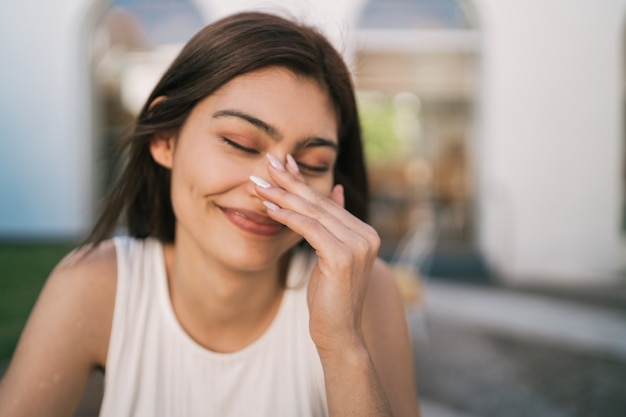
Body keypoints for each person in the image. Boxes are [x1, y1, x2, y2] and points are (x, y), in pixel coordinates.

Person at [0, 11, 420, 417]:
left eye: (310, 164)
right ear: (165, 138)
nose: (274, 188)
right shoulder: (95, 287)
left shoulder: (365, 294)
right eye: (240, 143)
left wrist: (342, 345)